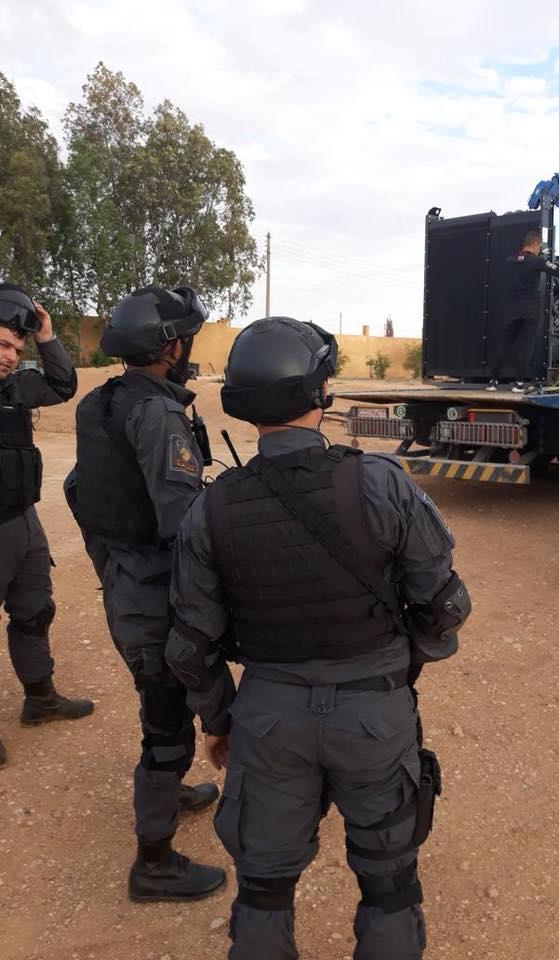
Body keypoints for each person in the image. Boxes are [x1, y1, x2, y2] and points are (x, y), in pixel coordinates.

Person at [166, 316, 471, 960]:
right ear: (318, 391)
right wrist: (401, 665)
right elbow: (445, 604)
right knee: (389, 886)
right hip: (374, 715)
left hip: (268, 718)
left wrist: (220, 720)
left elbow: (191, 646)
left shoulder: (209, 508)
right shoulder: (380, 481)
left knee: (263, 889)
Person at [64, 286, 225, 903]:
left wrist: (113, 564)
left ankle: (170, 788)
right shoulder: (156, 414)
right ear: (171, 347)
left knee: (162, 699)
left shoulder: (98, 401)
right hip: (155, 591)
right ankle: (153, 863)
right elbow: (183, 525)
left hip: (125, 583)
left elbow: (81, 491)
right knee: (166, 715)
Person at [0, 283, 94, 770]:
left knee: (35, 611)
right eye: (2, 344)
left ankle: (40, 699)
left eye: (17, 349)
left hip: (23, 520)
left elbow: (62, 384)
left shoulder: (16, 388)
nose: (10, 356)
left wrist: (47, 336)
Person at [487, 230, 559, 392]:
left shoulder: (510, 260)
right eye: (539, 247)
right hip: (530, 309)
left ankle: (493, 381)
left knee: (505, 344)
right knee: (526, 346)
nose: (539, 250)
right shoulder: (537, 261)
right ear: (535, 244)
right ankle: (519, 383)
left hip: (513, 308)